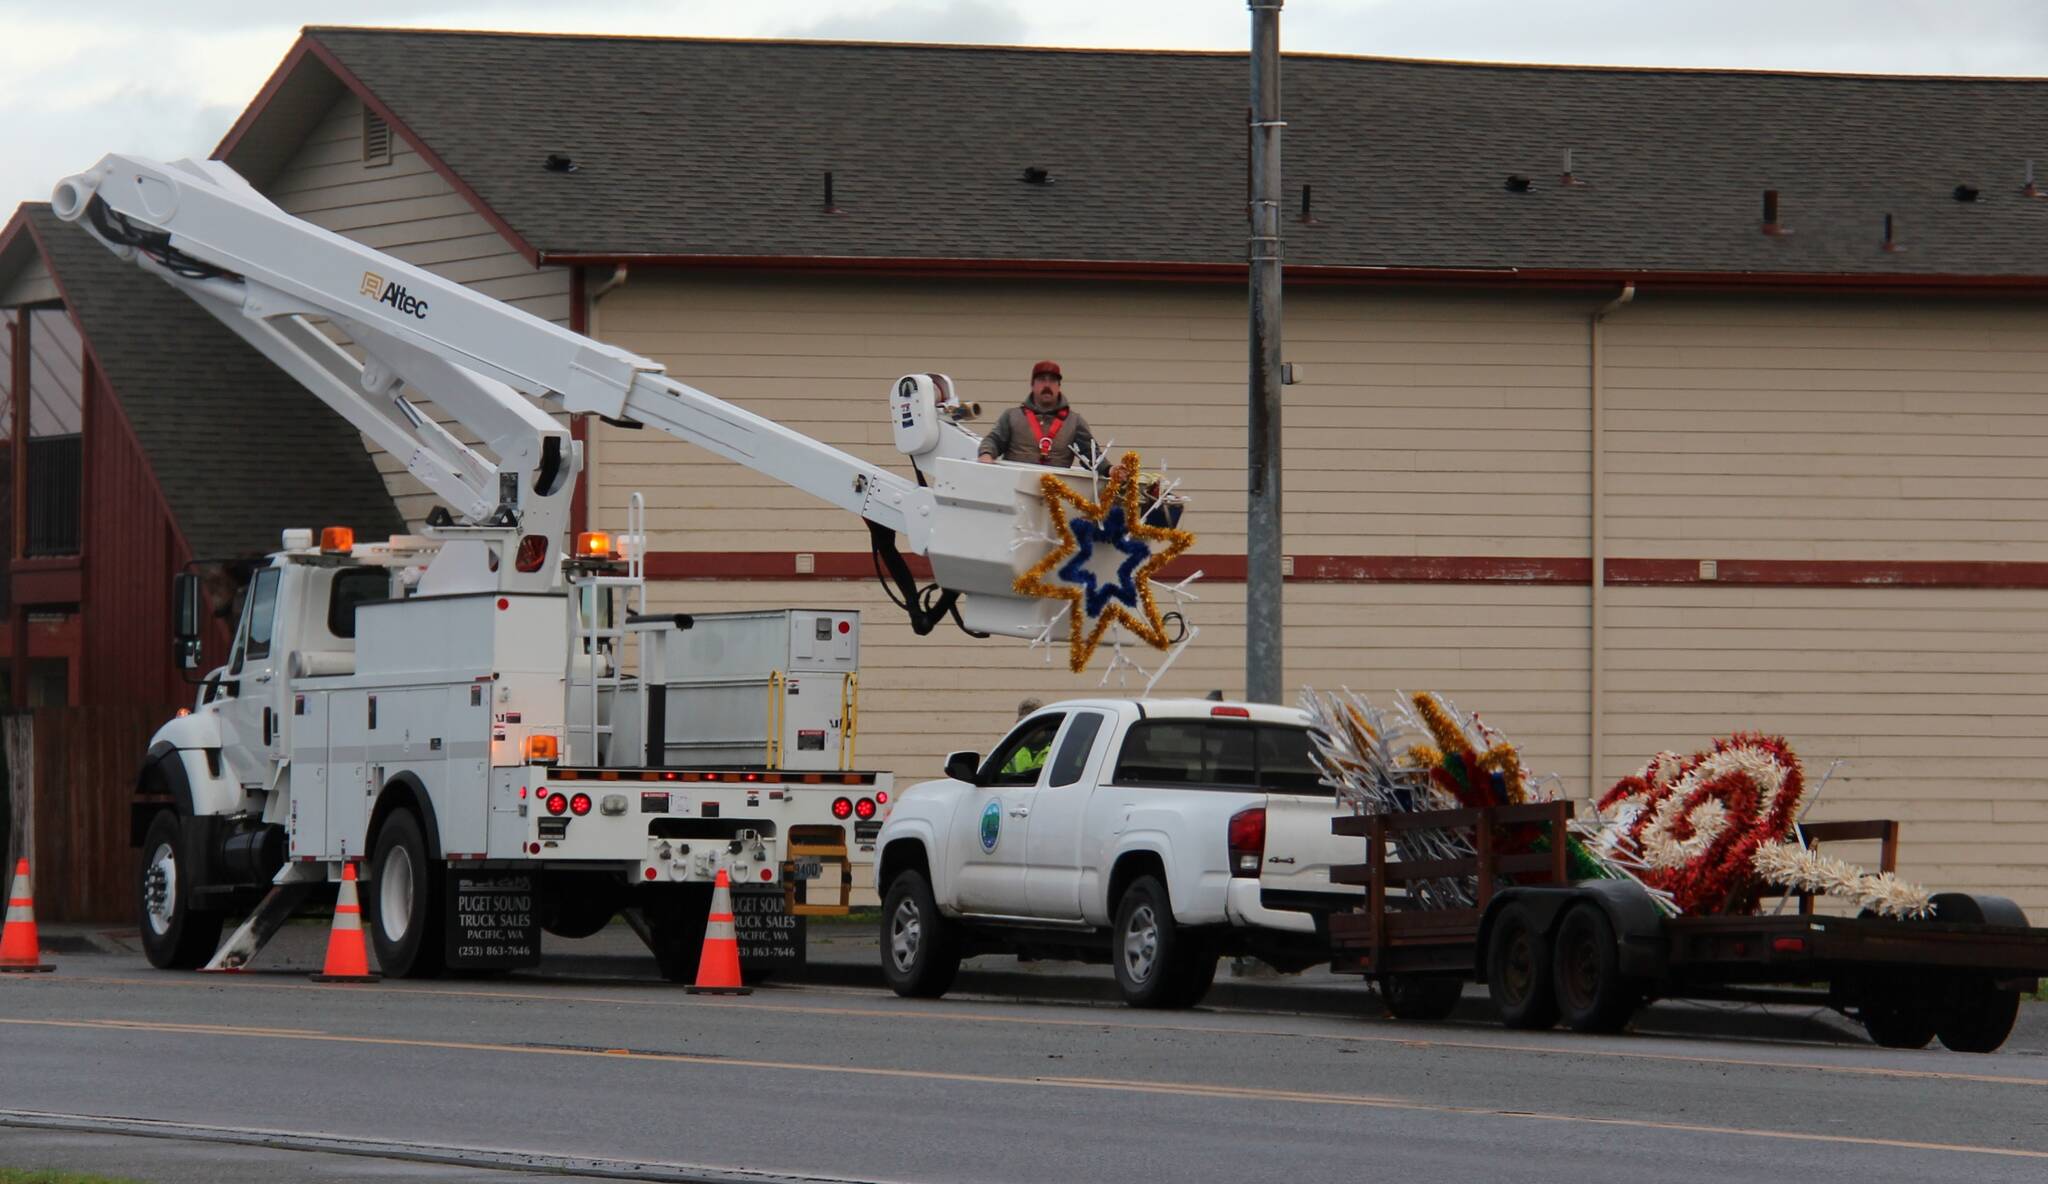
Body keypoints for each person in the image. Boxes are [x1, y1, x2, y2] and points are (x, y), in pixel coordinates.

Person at [978, 361, 1102, 469]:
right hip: (1014, 489)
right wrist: (986, 454)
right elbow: (993, 440)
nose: (1047, 385)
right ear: (1032, 385)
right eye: (1042, 379)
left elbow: (1091, 453)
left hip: (1057, 491)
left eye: (1052, 380)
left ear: (1059, 386)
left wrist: (1109, 469)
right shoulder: (1012, 416)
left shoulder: (1074, 422)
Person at [1001, 697, 1050, 777]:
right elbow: (999, 778)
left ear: (1042, 722)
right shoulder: (1013, 749)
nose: (1027, 727)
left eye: (1032, 723)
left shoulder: (1057, 744)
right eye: (1024, 723)